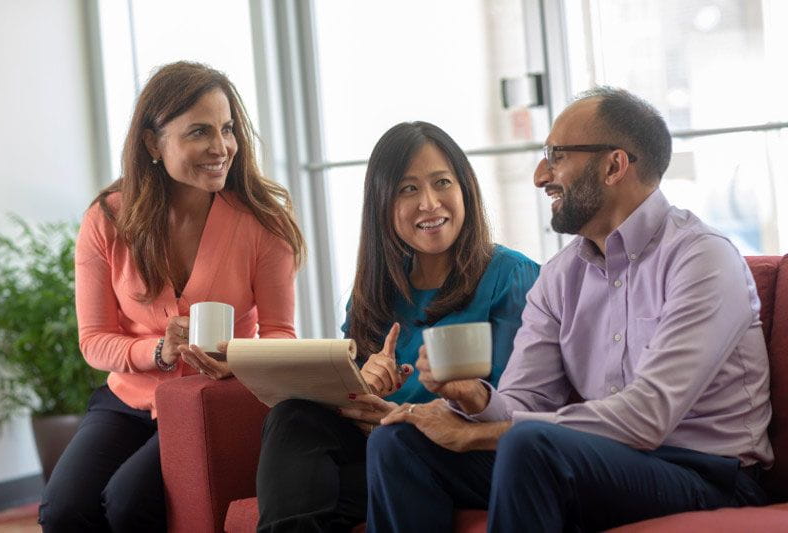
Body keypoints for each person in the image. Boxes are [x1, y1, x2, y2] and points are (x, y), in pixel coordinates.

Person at [367, 87, 773, 532]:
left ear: (614, 165)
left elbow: (648, 415)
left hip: (706, 475)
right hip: (601, 461)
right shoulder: (560, 275)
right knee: (398, 441)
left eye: (556, 156)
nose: (541, 175)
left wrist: (480, 433)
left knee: (529, 444)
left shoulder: (701, 258)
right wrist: (477, 398)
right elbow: (525, 401)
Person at [38, 61, 305, 532]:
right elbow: (94, 340)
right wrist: (157, 351)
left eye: (227, 129)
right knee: (63, 509)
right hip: (129, 401)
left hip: (215, 400)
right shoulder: (107, 219)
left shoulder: (264, 224)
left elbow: (280, 334)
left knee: (128, 502)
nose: (221, 147)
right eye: (199, 132)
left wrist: (239, 358)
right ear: (152, 144)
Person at [254, 121, 540, 532]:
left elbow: (512, 404)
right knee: (292, 417)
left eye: (442, 182)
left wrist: (408, 414)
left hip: (469, 453)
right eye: (408, 189)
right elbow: (358, 405)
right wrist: (362, 389)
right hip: (390, 447)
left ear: (465, 190)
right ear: (383, 204)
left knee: (365, 461)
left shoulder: (510, 276)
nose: (429, 203)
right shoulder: (376, 292)